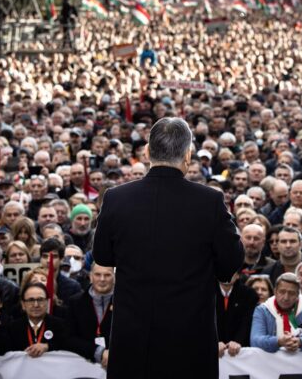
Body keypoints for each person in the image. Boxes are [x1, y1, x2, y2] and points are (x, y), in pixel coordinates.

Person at [93, 117, 244, 379]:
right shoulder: (210, 201)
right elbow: (231, 262)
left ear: (147, 152)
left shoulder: (116, 198)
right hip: (190, 340)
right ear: (188, 155)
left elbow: (103, 255)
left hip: (133, 338)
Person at [250, 272, 302, 353]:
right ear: (275, 291)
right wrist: (278, 341)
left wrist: (300, 342)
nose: (286, 297)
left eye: (291, 293)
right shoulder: (262, 310)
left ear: (298, 294)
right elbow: (255, 340)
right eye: (282, 292)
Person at [66, 264, 115, 366]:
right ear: (91, 277)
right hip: (84, 366)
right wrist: (99, 351)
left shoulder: (126, 303)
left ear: (114, 277)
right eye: (97, 274)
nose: (102, 279)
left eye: (107, 275)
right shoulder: (75, 302)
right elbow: (69, 338)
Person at [6, 282, 67, 356]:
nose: (36, 305)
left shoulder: (61, 325)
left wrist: (47, 346)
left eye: (40, 300)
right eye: (31, 300)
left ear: (47, 302)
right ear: (23, 304)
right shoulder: (13, 328)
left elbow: (68, 346)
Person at [216, 271, 258, 357]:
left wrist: (238, 341)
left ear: (238, 275)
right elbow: (203, 322)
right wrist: (213, 342)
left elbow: (247, 322)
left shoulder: (249, 294)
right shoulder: (205, 293)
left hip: (240, 352)